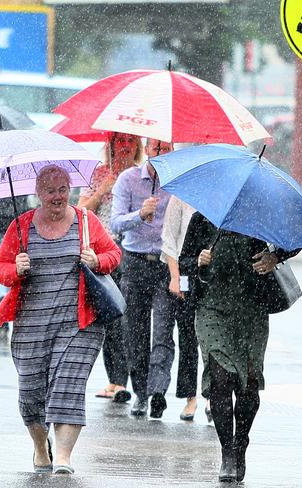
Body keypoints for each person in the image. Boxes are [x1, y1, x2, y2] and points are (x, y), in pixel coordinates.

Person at [0, 165, 121, 475]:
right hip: (31, 324)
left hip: (80, 323)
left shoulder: (87, 221)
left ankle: (63, 457)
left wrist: (96, 260)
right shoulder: (20, 227)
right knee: (31, 393)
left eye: (63, 189)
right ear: (39, 193)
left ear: (70, 190)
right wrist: (15, 268)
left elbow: (113, 254)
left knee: (68, 385)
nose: (58, 197)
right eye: (50, 191)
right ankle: (40, 447)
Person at [179, 213, 299, 483]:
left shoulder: (261, 216)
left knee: (248, 384)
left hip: (251, 310)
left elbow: (296, 236)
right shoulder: (202, 219)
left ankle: (240, 442)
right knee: (221, 379)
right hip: (212, 309)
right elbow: (184, 261)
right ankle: (227, 453)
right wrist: (197, 263)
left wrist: (275, 257)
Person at [110, 138, 174, 418]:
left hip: (164, 263)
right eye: (156, 148)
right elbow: (116, 222)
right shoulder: (128, 179)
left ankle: (158, 391)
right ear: (147, 150)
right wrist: (141, 213)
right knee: (134, 331)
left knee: (162, 331)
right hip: (135, 262)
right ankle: (140, 393)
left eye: (166, 149)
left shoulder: (177, 182)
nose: (160, 153)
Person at [78, 132, 143, 403]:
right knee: (110, 315)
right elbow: (81, 210)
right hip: (103, 252)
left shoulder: (143, 177)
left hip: (133, 251)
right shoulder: (97, 174)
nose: (125, 147)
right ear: (111, 145)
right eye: (120, 141)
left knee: (132, 319)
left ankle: (134, 380)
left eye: (131, 142)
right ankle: (116, 380)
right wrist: (104, 188)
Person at [160, 196, 200, 421]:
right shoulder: (181, 197)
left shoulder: (222, 195)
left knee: (212, 338)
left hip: (214, 270)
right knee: (187, 335)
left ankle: (213, 394)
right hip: (185, 270)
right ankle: (190, 396)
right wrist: (175, 277)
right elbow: (169, 240)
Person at [0, 197, 33, 344]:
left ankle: (1, 301)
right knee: (17, 267)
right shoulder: (21, 175)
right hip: (16, 220)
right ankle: (11, 305)